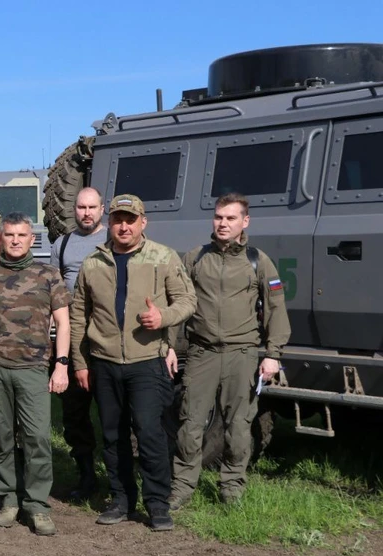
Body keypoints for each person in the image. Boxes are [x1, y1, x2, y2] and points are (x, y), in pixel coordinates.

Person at [69, 194, 196, 532]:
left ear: (143, 222)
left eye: (130, 220)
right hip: (104, 363)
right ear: (109, 223)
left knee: (150, 433)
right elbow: (79, 315)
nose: (123, 226)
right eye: (118, 220)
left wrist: (164, 316)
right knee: (112, 435)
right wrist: (80, 363)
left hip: (147, 362)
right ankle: (121, 500)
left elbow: (187, 300)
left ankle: (157, 504)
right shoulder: (93, 263)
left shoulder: (163, 257)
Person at [168, 193, 291, 508]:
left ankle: (231, 490)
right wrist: (167, 345)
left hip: (242, 355)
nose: (223, 223)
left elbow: (276, 309)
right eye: (219, 217)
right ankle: (181, 489)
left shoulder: (258, 261)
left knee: (238, 427)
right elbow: (177, 304)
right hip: (201, 353)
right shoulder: (195, 258)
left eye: (231, 218)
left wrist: (273, 354)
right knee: (190, 424)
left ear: (244, 222)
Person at [0, 212, 71, 536]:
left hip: (34, 368)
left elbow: (63, 322)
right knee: (3, 436)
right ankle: (9, 500)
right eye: (9, 235)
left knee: (37, 437)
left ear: (32, 239)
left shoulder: (48, 275)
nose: (15, 240)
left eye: (21, 235)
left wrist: (61, 364)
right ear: (0, 238)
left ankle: (37, 505)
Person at [48, 187, 107, 502]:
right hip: (72, 341)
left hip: (108, 339)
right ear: (75, 210)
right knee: (74, 414)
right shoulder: (63, 244)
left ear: (102, 209)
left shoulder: (114, 238)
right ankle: (86, 477)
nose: (86, 213)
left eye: (92, 207)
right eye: (81, 207)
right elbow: (53, 289)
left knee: (114, 414)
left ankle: (118, 477)